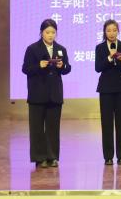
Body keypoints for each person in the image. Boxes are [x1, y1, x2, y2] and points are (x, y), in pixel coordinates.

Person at [22, 18, 72, 168]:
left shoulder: (61, 49)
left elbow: (68, 69)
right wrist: (39, 65)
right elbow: (25, 69)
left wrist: (62, 65)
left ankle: (52, 157)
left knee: (53, 127)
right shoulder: (32, 49)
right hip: (37, 94)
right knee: (37, 127)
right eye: (47, 32)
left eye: (53, 32)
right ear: (41, 33)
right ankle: (39, 158)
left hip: (54, 94)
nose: (50, 35)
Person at [95, 19, 121, 165]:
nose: (111, 33)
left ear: (118, 31)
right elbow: (98, 68)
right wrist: (110, 58)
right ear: (105, 32)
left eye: (114, 30)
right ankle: (108, 157)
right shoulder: (100, 48)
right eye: (109, 30)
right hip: (106, 89)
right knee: (107, 123)